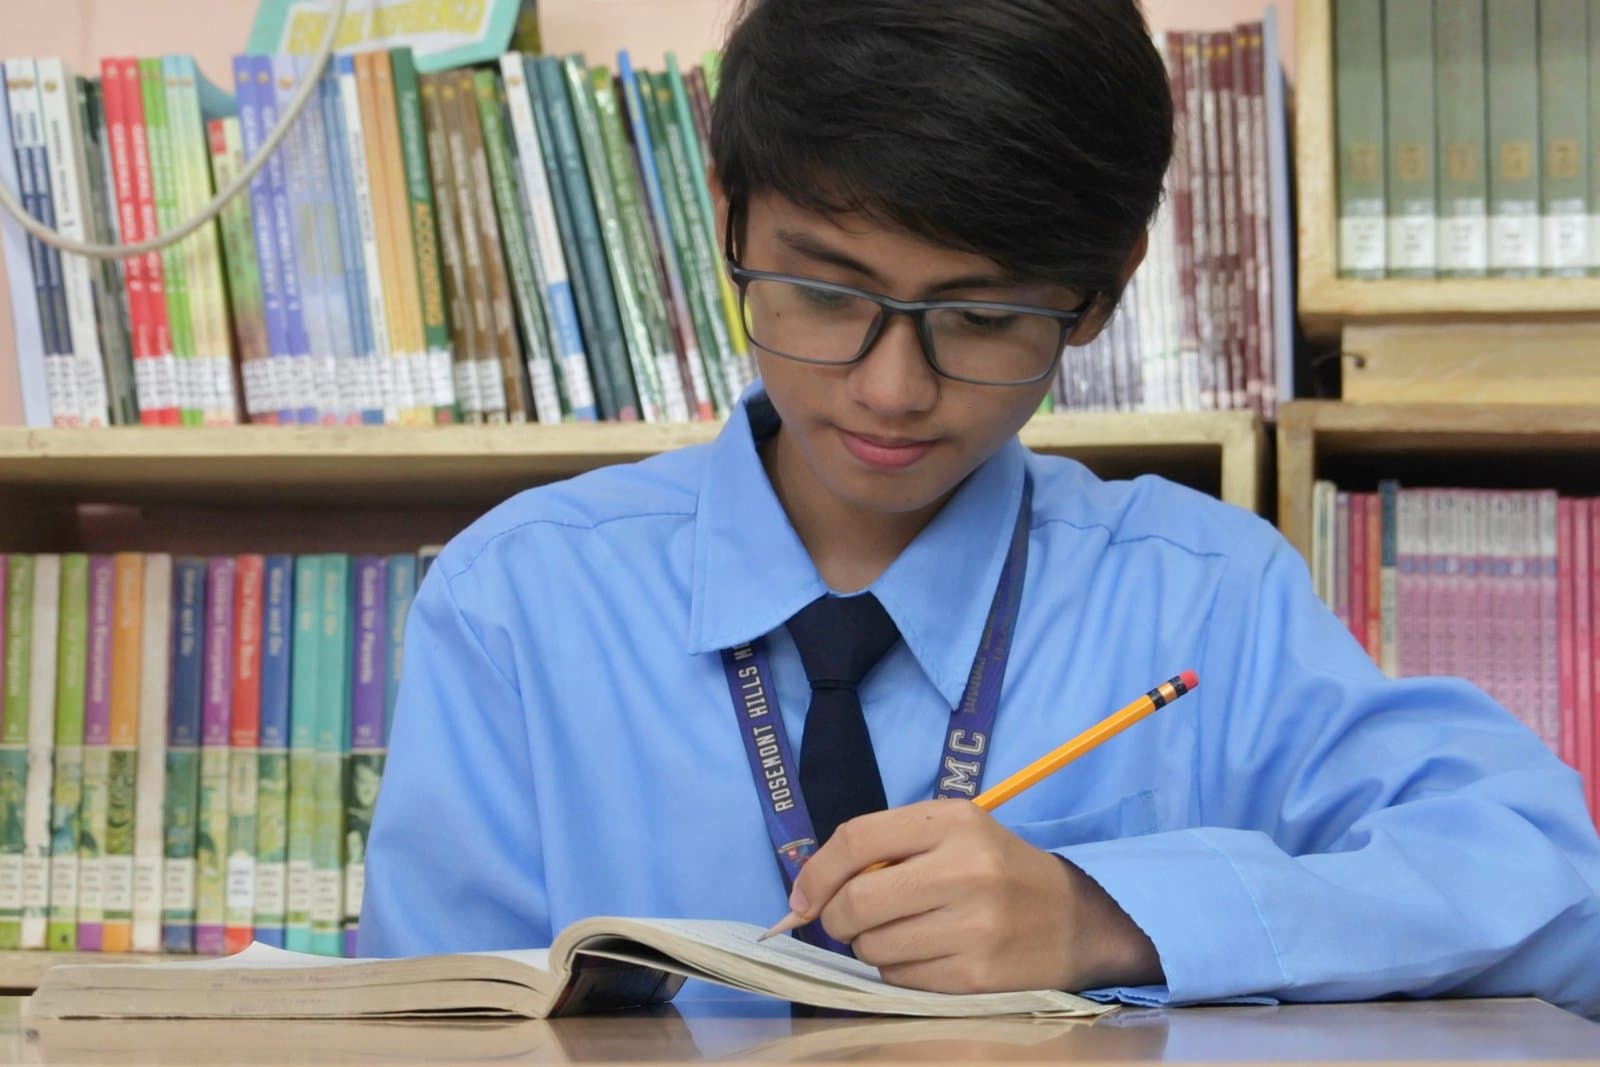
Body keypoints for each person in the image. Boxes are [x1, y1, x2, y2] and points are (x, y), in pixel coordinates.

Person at [360, 0, 1600, 1017]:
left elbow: (1557, 900)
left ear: (1100, 297)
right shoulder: (519, 599)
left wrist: (1109, 915)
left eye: (985, 317)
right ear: (727, 208)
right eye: (824, 291)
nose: (891, 390)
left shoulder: (1200, 595)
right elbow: (426, 1023)